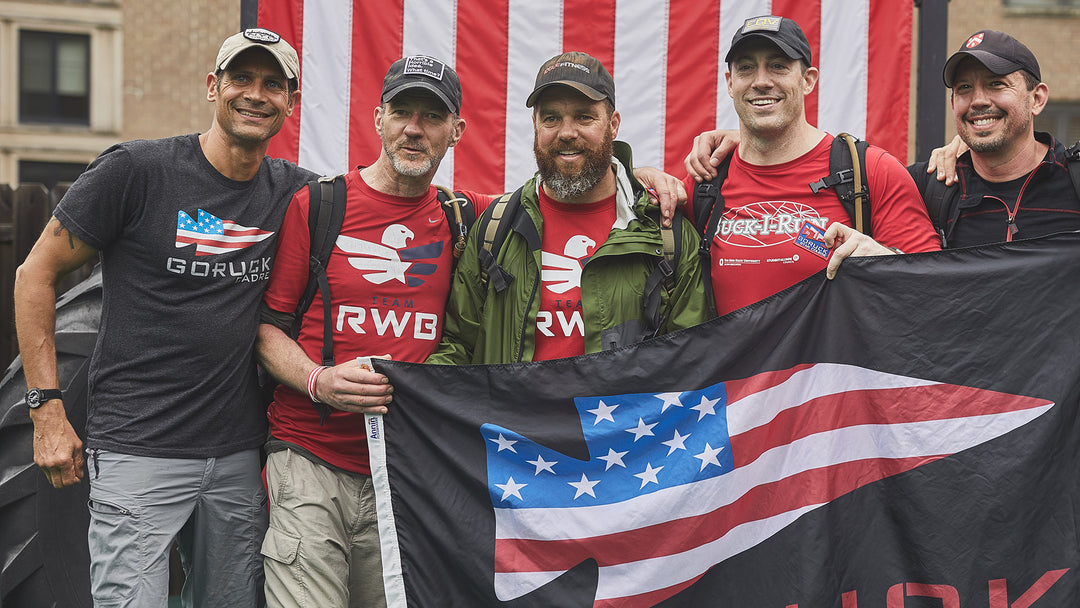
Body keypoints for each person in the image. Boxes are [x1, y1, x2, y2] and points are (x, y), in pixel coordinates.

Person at [13, 29, 315, 607]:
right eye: (241, 79)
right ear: (212, 87)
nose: (256, 94)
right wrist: (47, 412)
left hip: (235, 459)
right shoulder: (136, 171)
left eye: (272, 84)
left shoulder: (296, 195)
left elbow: (381, 200)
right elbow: (33, 276)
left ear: (290, 103)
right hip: (136, 453)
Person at [252, 55, 492, 607]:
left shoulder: (468, 217)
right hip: (310, 458)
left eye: (432, 117)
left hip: (407, 472)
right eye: (402, 111)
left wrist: (642, 176)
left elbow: (561, 203)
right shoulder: (318, 207)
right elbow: (266, 330)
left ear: (456, 132)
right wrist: (318, 381)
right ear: (377, 118)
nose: (414, 128)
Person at [426, 51, 709, 365]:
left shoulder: (665, 232)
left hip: (621, 416)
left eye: (584, 116)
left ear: (613, 125)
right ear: (535, 125)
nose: (566, 132)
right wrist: (395, 391)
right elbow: (458, 350)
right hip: (512, 415)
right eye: (551, 118)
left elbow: (691, 362)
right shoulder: (495, 227)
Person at [678, 15, 939, 316]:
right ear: (730, 83)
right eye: (746, 68)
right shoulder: (705, 181)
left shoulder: (870, 170)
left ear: (808, 80)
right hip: (730, 364)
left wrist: (884, 260)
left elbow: (933, 290)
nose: (761, 81)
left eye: (778, 65)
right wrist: (648, 176)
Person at [908, 30, 1080, 248]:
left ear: (1036, 99)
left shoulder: (1074, 180)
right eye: (965, 87)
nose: (978, 101)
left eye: (996, 83)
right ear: (953, 104)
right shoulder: (923, 188)